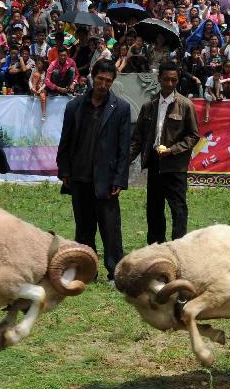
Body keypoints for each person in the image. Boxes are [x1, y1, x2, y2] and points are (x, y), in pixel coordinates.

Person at [56, 59, 131, 282]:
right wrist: (65, 171)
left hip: (107, 179)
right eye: (100, 79)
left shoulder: (121, 108)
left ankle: (115, 272)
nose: (103, 84)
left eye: (108, 81)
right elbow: (65, 142)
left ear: (113, 82)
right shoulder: (74, 106)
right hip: (79, 176)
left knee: (111, 230)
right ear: (92, 76)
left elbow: (123, 148)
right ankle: (86, 271)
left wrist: (119, 178)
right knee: (83, 228)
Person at [130, 61, 200, 244]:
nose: (170, 84)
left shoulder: (186, 105)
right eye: (166, 79)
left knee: (178, 210)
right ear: (159, 79)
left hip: (175, 166)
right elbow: (137, 139)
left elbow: (193, 136)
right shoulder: (149, 105)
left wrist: (172, 150)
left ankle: (178, 249)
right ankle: (155, 249)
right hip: (155, 163)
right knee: (154, 210)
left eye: (174, 80)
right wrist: (124, 161)